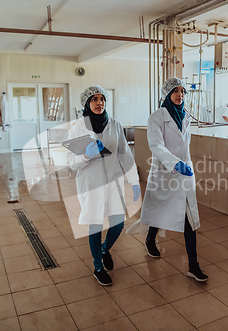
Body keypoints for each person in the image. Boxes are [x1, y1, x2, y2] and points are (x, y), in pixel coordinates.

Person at [67, 85, 141, 286]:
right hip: (90, 184)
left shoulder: (115, 125)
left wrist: (134, 181)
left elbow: (125, 155)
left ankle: (103, 248)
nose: (99, 103)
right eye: (94, 99)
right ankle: (98, 267)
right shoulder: (77, 129)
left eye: (102, 99)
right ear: (86, 103)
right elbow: (70, 162)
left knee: (117, 223)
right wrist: (85, 156)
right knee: (96, 224)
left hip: (113, 182)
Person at [138, 77, 208, 282]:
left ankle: (193, 266)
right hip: (165, 171)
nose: (180, 95)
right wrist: (174, 163)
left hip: (184, 175)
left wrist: (183, 164)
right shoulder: (157, 117)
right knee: (160, 209)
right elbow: (156, 145)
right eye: (176, 91)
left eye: (183, 91)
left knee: (189, 219)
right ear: (167, 94)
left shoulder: (184, 115)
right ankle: (150, 239)